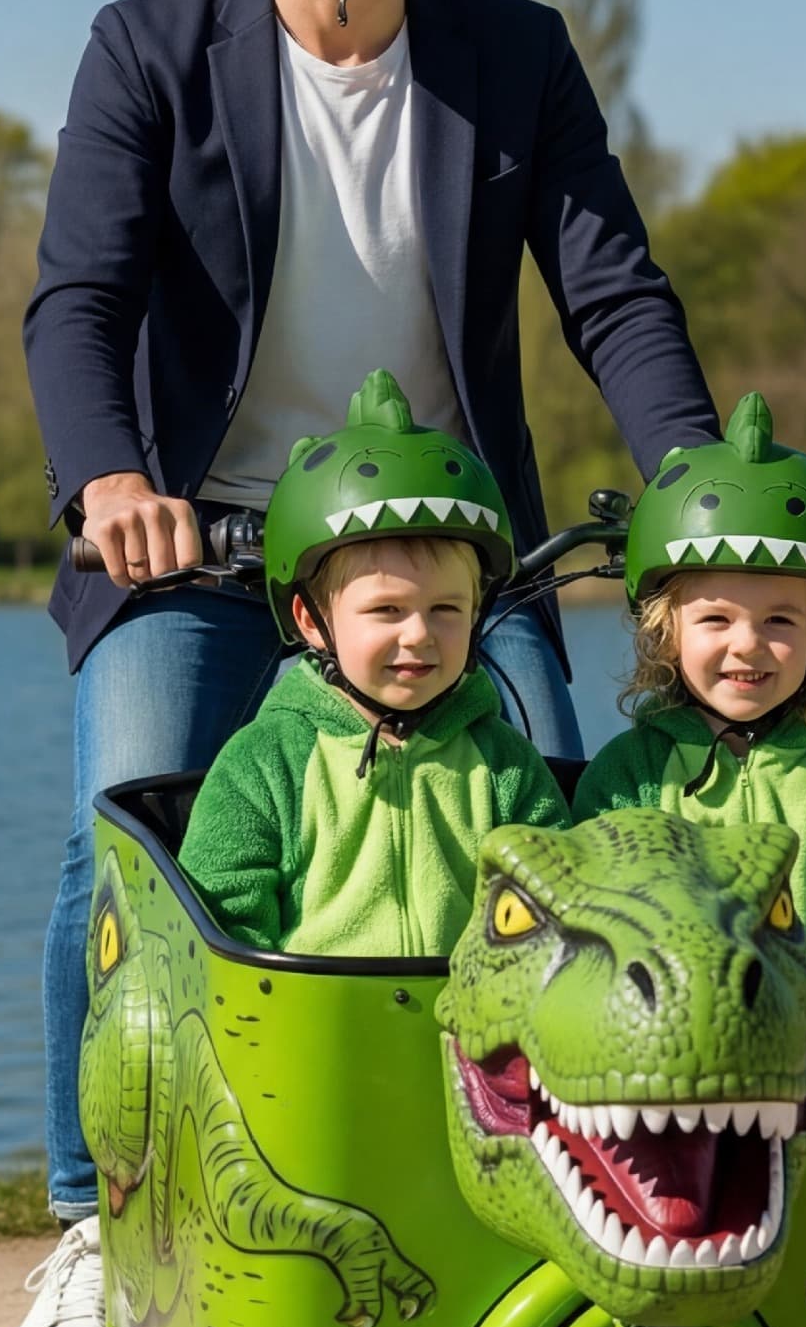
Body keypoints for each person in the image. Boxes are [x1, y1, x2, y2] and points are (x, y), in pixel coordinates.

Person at [11, 0, 719, 1327]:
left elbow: (611, 291)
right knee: (138, 832)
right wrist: (110, 480)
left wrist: (692, 475)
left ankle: (570, 1173)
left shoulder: (513, 57)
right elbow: (75, 302)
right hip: (207, 542)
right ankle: (99, 1213)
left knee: (569, 838)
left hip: (450, 560)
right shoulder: (149, 52)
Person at [167, 380, 571, 960]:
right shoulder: (263, 764)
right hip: (310, 1036)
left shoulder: (505, 764)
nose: (419, 635)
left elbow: (554, 909)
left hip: (465, 1035)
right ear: (311, 620)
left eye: (447, 610)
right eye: (387, 610)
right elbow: (226, 923)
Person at [575, 429, 806, 962]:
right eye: (716, 619)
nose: (748, 645)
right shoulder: (627, 775)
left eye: (779, 620)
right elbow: (600, 928)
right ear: (667, 633)